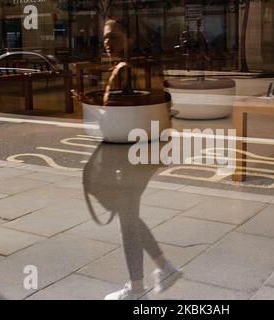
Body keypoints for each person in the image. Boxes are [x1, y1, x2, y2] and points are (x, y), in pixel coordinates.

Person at [82, 19, 181, 301]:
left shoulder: (125, 70)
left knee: (127, 217)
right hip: (146, 151)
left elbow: (115, 118)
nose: (107, 43)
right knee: (129, 214)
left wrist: (93, 108)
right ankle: (164, 268)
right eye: (104, 38)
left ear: (129, 37)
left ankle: (137, 289)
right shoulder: (144, 66)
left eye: (113, 36)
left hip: (129, 155)